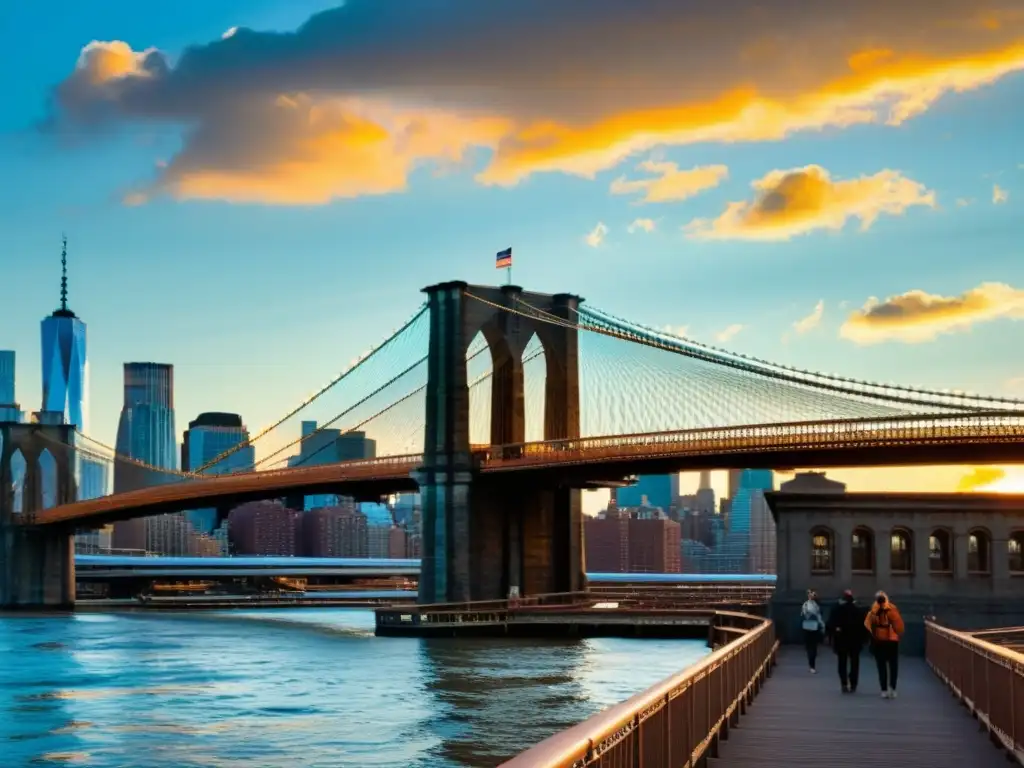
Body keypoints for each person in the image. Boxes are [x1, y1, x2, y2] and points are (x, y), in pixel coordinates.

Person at [864, 590, 904, 698]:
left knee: (881, 666)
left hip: (879, 641)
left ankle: (884, 689)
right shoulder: (892, 608)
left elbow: (867, 624)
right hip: (892, 641)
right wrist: (898, 634)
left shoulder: (873, 610)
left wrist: (873, 634)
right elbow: (899, 625)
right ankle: (893, 688)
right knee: (893, 666)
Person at [826, 589, 868, 693]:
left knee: (842, 662)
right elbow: (864, 626)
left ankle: (844, 682)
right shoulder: (858, 611)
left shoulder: (837, 610)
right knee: (854, 662)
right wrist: (865, 639)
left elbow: (830, 624)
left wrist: (831, 637)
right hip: (855, 641)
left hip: (841, 640)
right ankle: (853, 683)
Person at [800, 589, 825, 673]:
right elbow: (819, 618)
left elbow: (803, 615)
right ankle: (812, 665)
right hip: (814, 627)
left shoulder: (805, 604)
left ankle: (811, 665)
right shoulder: (817, 606)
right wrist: (822, 626)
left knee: (809, 647)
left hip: (807, 627)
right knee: (813, 647)